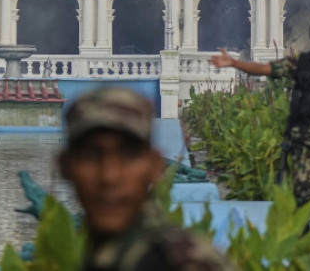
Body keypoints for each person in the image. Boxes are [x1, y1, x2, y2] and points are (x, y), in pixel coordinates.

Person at [209, 12, 310, 238]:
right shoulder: (302, 63)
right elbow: (267, 69)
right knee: (302, 199)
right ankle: (303, 245)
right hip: (303, 145)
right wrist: (234, 63)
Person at [59, 87, 234, 271]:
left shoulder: (185, 262)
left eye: (129, 155)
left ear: (155, 166)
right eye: (90, 156)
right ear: (64, 166)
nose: (109, 176)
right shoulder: (105, 255)